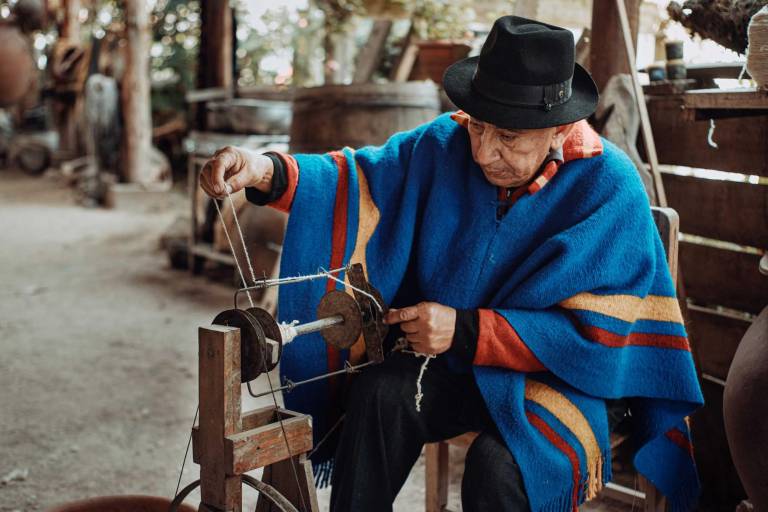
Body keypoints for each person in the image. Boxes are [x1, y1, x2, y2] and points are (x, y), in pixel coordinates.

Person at [200, 16, 703, 512]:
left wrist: (465, 331)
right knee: (380, 394)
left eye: (507, 137)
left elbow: (596, 337)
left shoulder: (609, 187)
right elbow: (360, 179)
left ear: (559, 130)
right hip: (463, 367)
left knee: (498, 468)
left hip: (566, 380)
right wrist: (263, 170)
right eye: (478, 126)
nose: (484, 152)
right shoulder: (446, 142)